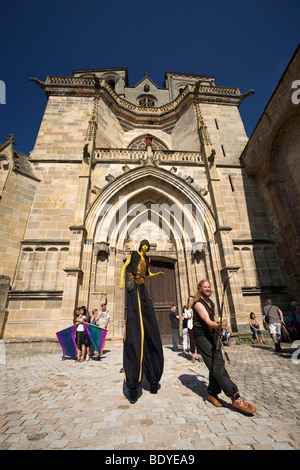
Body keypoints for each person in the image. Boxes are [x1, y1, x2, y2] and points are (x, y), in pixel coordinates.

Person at [192, 279, 256, 415]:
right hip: (202, 336)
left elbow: (214, 318)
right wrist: (217, 325)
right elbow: (207, 320)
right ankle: (235, 396)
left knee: (215, 363)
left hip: (212, 334)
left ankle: (212, 393)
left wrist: (220, 322)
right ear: (200, 289)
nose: (208, 288)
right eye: (205, 287)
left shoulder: (211, 303)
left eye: (209, 286)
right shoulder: (198, 304)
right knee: (217, 364)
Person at [119, 239, 164, 403]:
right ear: (140, 246)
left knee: (149, 324)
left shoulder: (147, 259)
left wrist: (156, 274)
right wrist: (121, 279)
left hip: (142, 286)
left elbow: (148, 273)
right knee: (134, 326)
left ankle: (153, 375)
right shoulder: (133, 254)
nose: (145, 247)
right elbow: (125, 266)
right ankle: (133, 383)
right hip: (133, 285)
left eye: (147, 246)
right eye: (144, 245)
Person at [183, 295, 201, 363]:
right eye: (189, 300)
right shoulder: (186, 309)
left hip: (196, 325)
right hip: (190, 325)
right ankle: (193, 356)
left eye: (191, 300)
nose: (190, 301)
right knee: (192, 341)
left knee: (198, 340)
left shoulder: (196, 307)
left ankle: (199, 356)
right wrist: (188, 316)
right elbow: (185, 316)